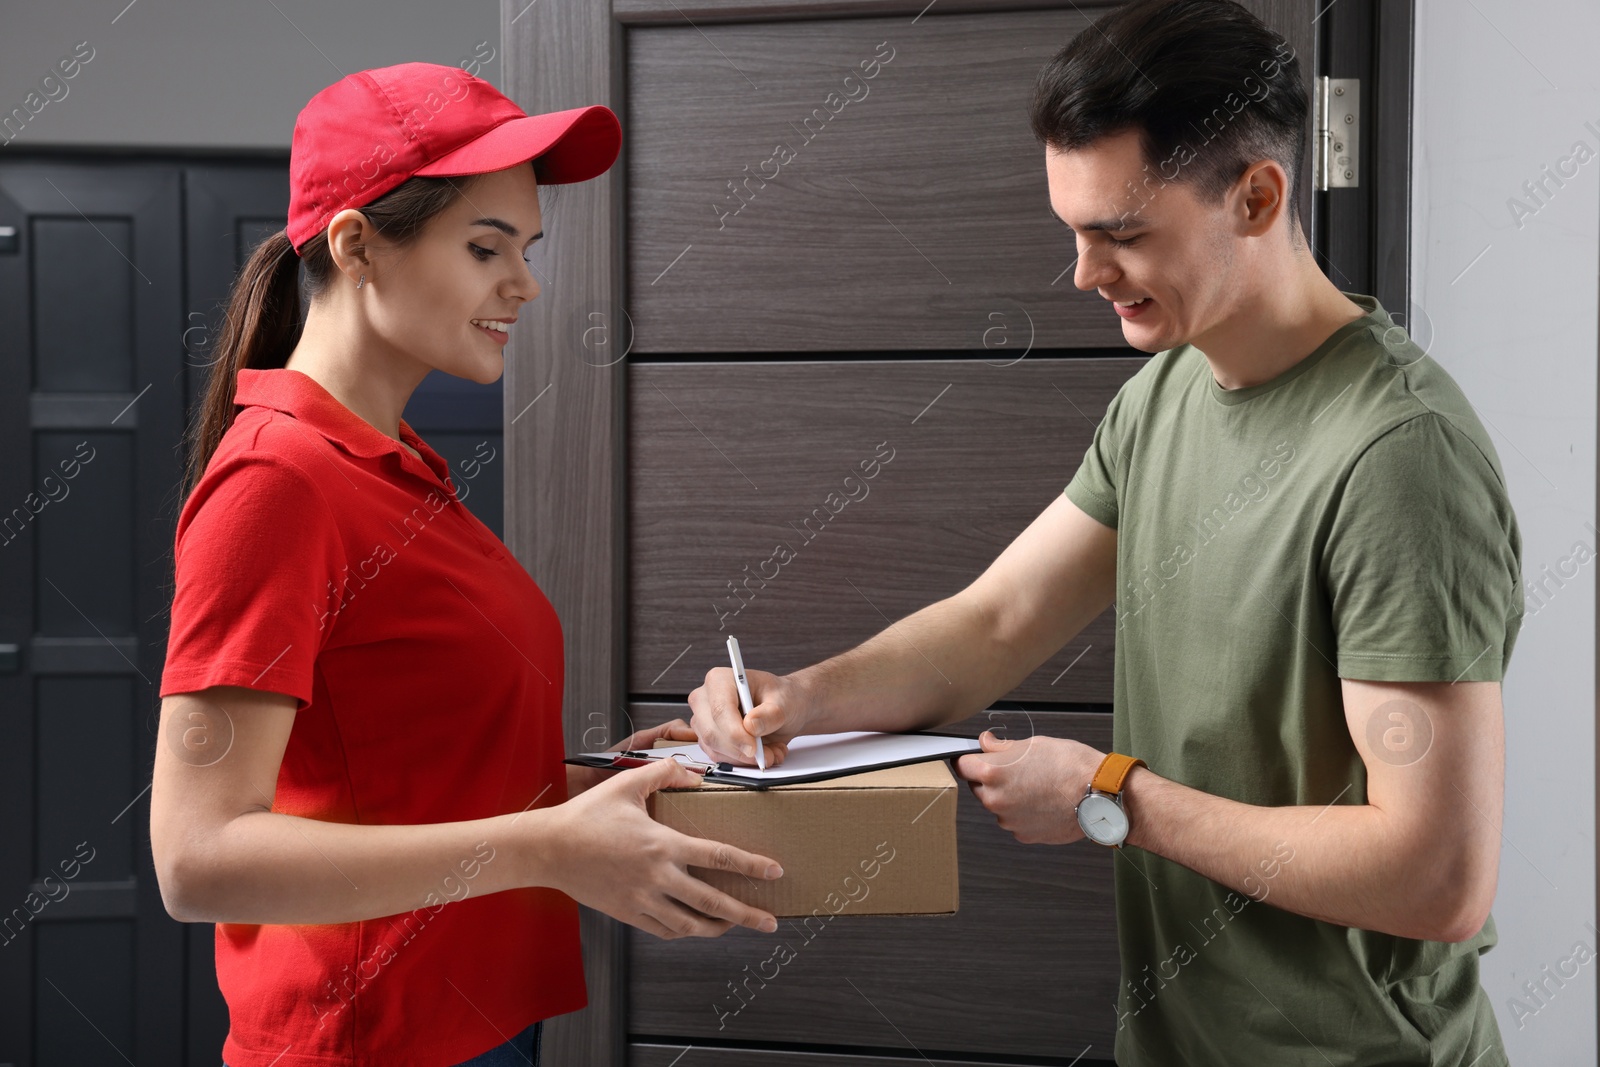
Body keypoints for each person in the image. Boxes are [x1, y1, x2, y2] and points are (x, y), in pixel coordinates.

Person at [688, 2, 1522, 1064]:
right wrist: (800, 699)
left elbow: (1437, 875)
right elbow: (996, 620)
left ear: (1257, 196)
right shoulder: (1164, 396)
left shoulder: (1399, 459)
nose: (1085, 275)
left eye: (1121, 235)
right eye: (1073, 233)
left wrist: (1109, 792)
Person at [151, 62, 782, 1067]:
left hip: (472, 1020)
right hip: (366, 1038)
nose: (524, 283)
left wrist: (616, 782)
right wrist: (552, 847)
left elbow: (402, 768)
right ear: (357, 244)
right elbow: (198, 858)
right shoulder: (278, 481)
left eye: (526, 249)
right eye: (487, 247)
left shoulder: (393, 471)